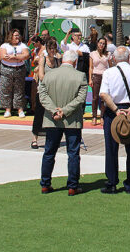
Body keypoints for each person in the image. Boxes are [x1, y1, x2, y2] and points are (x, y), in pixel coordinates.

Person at [38, 48, 88, 195]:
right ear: (75, 61)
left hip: (52, 120)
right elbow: (80, 99)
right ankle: (72, 185)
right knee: (73, 153)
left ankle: (45, 184)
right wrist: (65, 111)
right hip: (72, 121)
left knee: (49, 152)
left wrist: (54, 110)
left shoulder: (49, 75)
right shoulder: (80, 76)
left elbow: (42, 95)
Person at [99, 46, 130, 194]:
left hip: (113, 110)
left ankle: (112, 182)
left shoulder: (109, 72)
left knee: (111, 148)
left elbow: (103, 94)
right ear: (129, 58)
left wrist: (115, 109)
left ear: (114, 59)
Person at [32, 38, 60, 149]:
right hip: (43, 91)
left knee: (53, 115)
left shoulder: (58, 61)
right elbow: (41, 76)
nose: (52, 51)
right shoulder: (43, 59)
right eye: (50, 49)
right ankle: (34, 138)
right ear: (47, 49)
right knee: (39, 115)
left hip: (54, 91)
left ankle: (51, 138)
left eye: (54, 48)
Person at [0, 29, 31, 118]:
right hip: (6, 70)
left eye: (18, 35)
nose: (17, 37)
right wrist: (19, 57)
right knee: (6, 89)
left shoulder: (23, 45)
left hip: (19, 70)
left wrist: (14, 56)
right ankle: (7, 110)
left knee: (19, 90)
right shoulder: (4, 45)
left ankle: (20, 109)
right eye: (15, 35)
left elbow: (26, 55)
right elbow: (3, 57)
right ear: (11, 36)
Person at [88, 37, 111, 126]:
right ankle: (94, 116)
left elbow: (111, 65)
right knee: (95, 97)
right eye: (100, 43)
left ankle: (102, 116)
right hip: (95, 75)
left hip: (105, 76)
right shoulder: (92, 54)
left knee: (103, 97)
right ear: (97, 43)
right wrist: (90, 79)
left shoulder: (108, 54)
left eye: (103, 43)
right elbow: (90, 67)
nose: (101, 45)